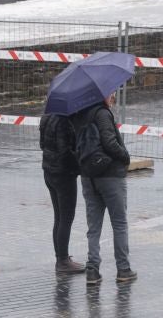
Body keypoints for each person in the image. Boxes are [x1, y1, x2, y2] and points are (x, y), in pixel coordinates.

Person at [72, 91, 136, 285]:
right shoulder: (102, 113)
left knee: (93, 226)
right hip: (110, 175)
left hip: (88, 175)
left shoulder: (79, 113)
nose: (114, 96)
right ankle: (123, 269)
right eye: (112, 93)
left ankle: (92, 270)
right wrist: (125, 157)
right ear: (102, 94)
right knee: (119, 223)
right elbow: (109, 142)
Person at [39, 113, 86, 274]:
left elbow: (42, 145)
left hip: (49, 171)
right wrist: (81, 166)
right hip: (63, 175)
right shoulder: (64, 121)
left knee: (59, 217)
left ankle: (61, 257)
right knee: (66, 218)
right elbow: (65, 152)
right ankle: (63, 261)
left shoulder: (47, 117)